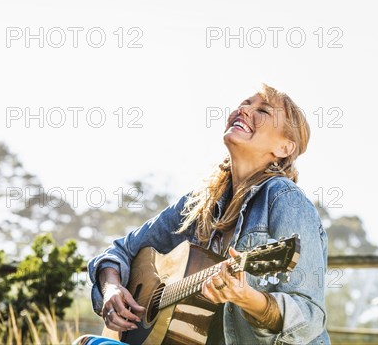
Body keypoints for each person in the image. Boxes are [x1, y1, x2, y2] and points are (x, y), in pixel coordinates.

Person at [78, 84, 330, 345]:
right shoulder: (200, 204)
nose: (244, 110)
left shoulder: (284, 199)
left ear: (284, 148)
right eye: (245, 103)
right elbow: (121, 251)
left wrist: (249, 299)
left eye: (263, 110)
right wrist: (111, 289)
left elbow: (309, 319)